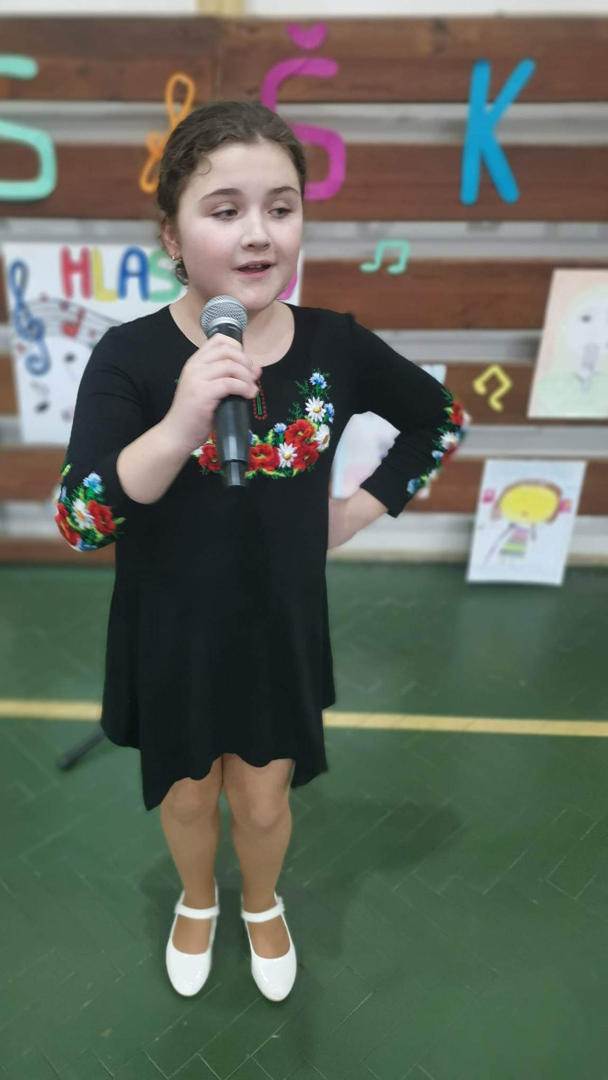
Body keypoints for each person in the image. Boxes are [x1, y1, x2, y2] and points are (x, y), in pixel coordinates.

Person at [54, 100, 468, 1001]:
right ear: (172, 235)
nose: (258, 233)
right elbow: (81, 519)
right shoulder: (129, 358)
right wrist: (181, 420)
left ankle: (261, 900)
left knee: (264, 797)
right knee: (187, 794)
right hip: (171, 631)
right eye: (225, 209)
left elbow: (439, 420)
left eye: (281, 207)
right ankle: (198, 899)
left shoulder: (334, 344)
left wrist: (357, 512)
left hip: (278, 628)